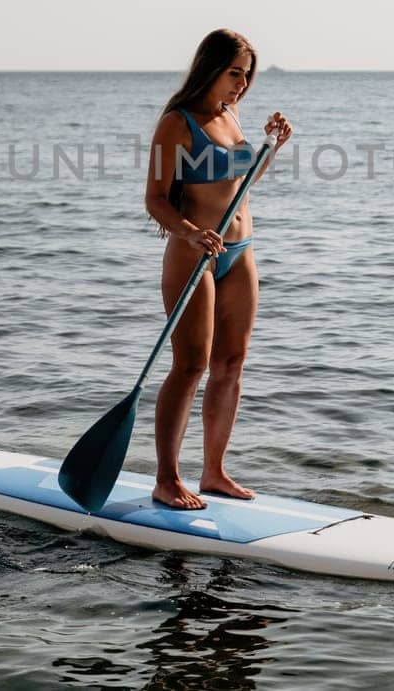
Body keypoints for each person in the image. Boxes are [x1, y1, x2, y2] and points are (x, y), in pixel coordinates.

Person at [144, 29, 293, 510]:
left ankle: (213, 472)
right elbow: (154, 200)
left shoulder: (232, 115)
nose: (242, 84)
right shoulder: (177, 122)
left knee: (231, 363)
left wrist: (271, 147)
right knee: (191, 366)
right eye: (234, 73)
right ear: (209, 68)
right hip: (195, 255)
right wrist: (188, 231)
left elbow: (239, 182)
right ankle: (167, 478)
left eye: (247, 75)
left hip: (240, 251)